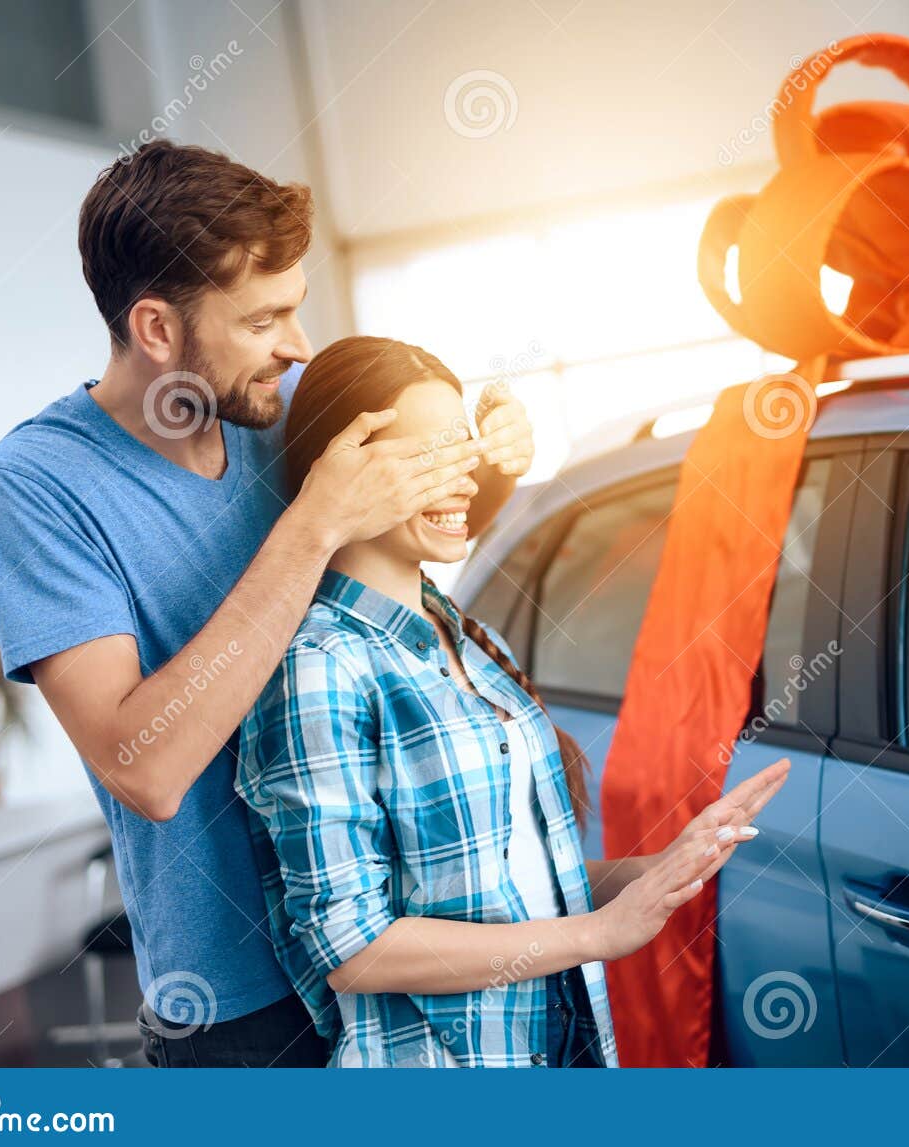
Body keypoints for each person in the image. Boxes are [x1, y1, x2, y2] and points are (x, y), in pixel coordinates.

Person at [0, 141, 536, 1067]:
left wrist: (495, 467)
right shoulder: (32, 488)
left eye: (296, 309)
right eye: (264, 319)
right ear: (155, 328)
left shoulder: (290, 402)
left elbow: (409, 558)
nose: (298, 346)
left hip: (397, 942)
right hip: (241, 1009)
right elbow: (142, 769)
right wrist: (312, 524)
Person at [238, 336, 790, 1067]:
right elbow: (354, 949)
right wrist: (597, 936)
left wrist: (651, 872)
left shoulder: (467, 637)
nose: (465, 482)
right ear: (345, 468)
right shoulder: (319, 665)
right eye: (429, 457)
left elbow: (504, 885)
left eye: (462, 452)